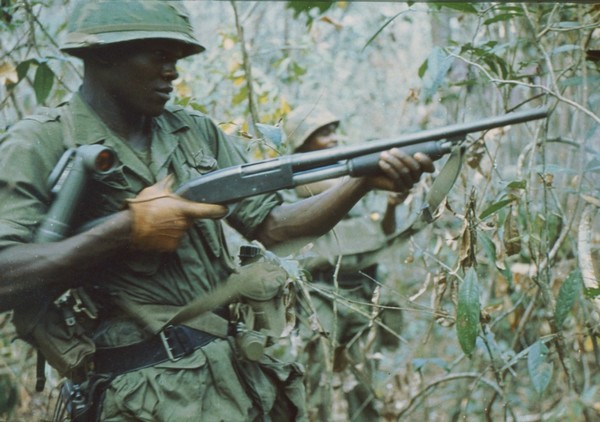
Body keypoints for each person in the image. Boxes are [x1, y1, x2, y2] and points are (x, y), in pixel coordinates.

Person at [0, 1, 433, 421]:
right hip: (138, 396)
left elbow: (275, 226)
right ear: (104, 55)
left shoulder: (195, 132)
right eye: (158, 56)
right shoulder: (40, 142)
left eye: (176, 58)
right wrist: (125, 229)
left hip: (232, 378)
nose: (172, 70)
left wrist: (359, 181)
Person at [283, 104, 410, 421]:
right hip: (322, 296)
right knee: (317, 382)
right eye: (323, 134)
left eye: (333, 131)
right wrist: (367, 176)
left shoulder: (348, 177)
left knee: (363, 385)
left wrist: (392, 204)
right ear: (302, 142)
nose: (333, 139)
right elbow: (317, 189)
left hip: (360, 294)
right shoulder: (299, 180)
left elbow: (380, 236)